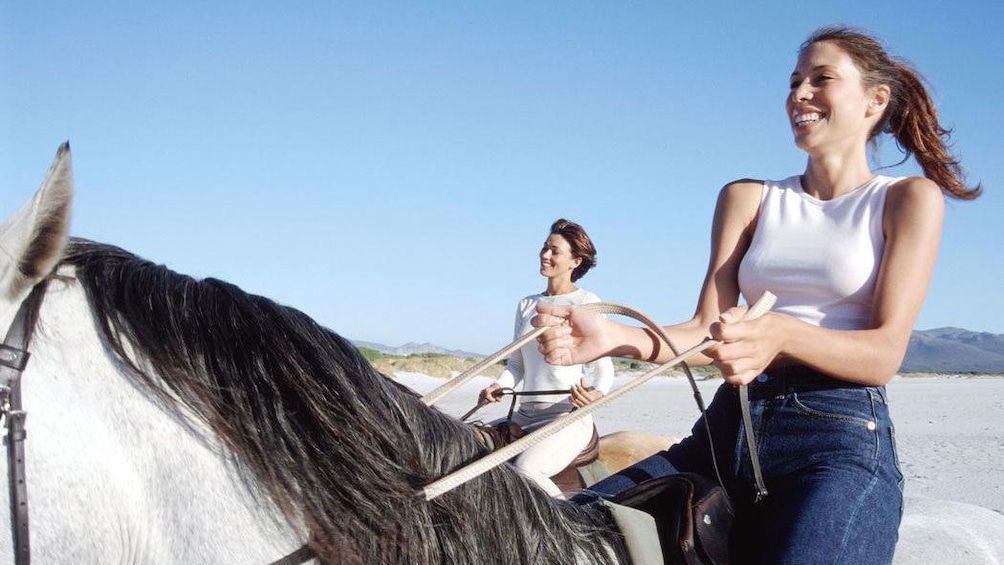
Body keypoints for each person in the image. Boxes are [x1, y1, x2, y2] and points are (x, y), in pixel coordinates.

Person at [534, 25, 980, 564]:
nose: (799, 95)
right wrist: (615, 337)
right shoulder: (747, 198)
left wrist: (782, 334)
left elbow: (884, 353)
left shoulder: (908, 199)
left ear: (875, 99)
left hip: (835, 438)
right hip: (725, 431)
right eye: (794, 82)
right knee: (543, 534)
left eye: (822, 79)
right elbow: (706, 331)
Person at [479, 218, 615, 498]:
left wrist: (596, 394)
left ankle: (570, 528)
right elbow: (516, 364)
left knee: (528, 469)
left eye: (554, 251)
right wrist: (498, 385)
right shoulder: (527, 304)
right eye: (544, 247)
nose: (545, 255)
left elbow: (603, 369)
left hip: (566, 416)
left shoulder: (587, 302)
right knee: (466, 449)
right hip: (524, 413)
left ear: (575, 262)